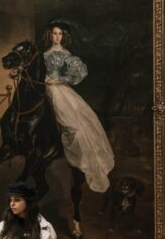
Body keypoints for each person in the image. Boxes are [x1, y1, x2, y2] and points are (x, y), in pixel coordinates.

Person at [41, 22, 114, 193]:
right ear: (49, 35)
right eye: (54, 33)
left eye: (60, 33)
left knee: (73, 125)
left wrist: (58, 80)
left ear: (63, 36)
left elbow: (80, 73)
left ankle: (81, 159)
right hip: (42, 87)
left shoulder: (66, 54)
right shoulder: (43, 54)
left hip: (58, 89)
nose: (57, 36)